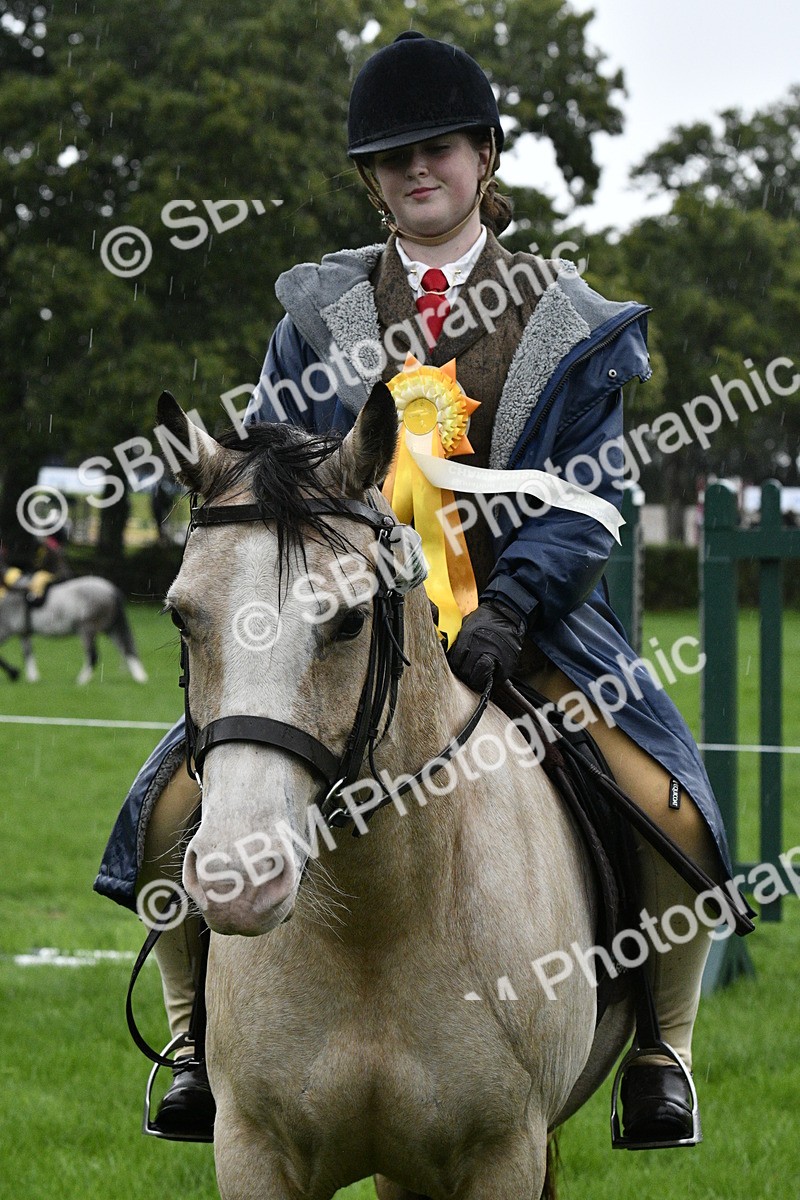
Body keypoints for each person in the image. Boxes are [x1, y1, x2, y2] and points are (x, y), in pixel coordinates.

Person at [95, 32, 752, 1147]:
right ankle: (195, 1046)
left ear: (482, 157)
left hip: (526, 623)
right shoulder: (312, 317)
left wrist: (506, 609)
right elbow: (271, 475)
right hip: (338, 629)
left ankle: (660, 1051)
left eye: (435, 148)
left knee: (670, 809)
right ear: (370, 178)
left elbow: (592, 500)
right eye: (392, 157)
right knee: (164, 812)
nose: (416, 171)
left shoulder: (569, 319)